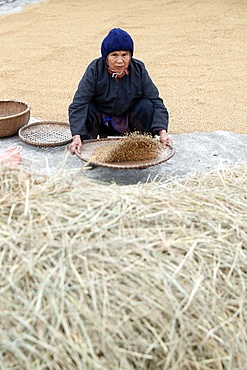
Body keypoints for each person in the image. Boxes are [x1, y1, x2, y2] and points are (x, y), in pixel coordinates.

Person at [68, 28, 172, 155]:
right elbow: (79, 103)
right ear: (106, 56)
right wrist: (77, 136)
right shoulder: (95, 69)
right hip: (103, 120)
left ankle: (143, 148)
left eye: (124, 55)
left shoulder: (138, 69)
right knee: (87, 108)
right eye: (114, 55)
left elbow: (156, 101)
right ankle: (89, 151)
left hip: (129, 119)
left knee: (146, 105)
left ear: (130, 55)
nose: (120, 60)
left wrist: (162, 132)